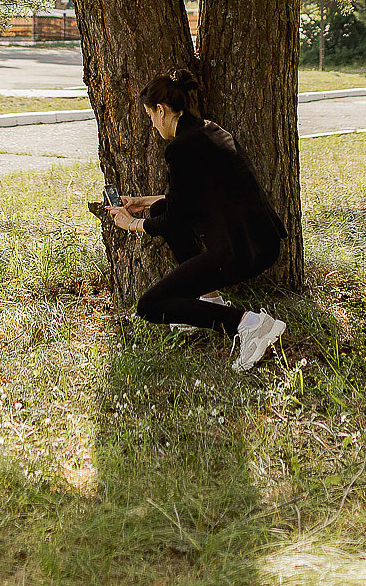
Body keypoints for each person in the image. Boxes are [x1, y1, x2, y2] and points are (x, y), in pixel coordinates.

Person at [109, 67, 287, 373]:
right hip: (262, 241)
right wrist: (144, 203)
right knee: (161, 211)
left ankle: (249, 324)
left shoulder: (180, 148)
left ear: (161, 111)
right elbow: (194, 201)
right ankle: (211, 303)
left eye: (150, 116)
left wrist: (130, 224)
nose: (152, 124)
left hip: (240, 252)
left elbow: (176, 221)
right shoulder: (209, 130)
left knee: (150, 306)